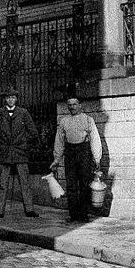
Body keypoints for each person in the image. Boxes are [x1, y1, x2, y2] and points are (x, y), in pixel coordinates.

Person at [50, 87, 107, 223]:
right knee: (71, 185)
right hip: (70, 152)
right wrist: (57, 158)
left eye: (75, 104)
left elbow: (95, 139)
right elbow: (59, 140)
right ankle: (73, 214)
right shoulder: (64, 121)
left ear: (80, 105)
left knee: (84, 183)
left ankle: (83, 214)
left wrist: (97, 157)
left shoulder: (88, 120)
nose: (72, 107)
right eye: (69, 105)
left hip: (84, 152)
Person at [0, 87, 41, 218]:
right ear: (4, 99)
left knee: (25, 182)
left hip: (20, 152)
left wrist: (23, 143)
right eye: (8, 97)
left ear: (16, 99)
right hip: (4, 153)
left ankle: (29, 209)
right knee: (2, 183)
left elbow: (33, 133)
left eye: (13, 97)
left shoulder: (23, 113)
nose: (10, 100)